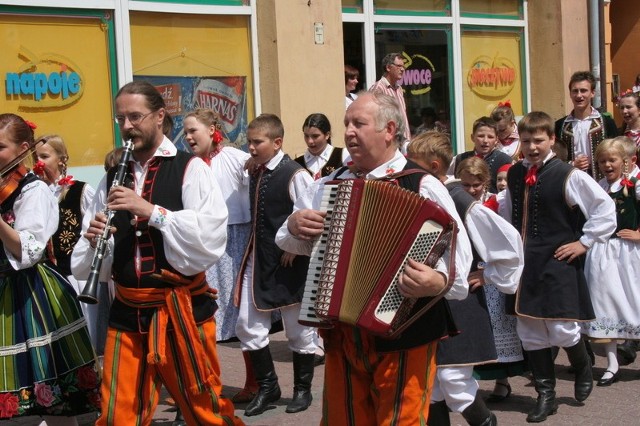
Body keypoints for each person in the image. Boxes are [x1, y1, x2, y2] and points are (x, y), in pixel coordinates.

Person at [275, 91, 473, 425]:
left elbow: (459, 267)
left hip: (406, 333)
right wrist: (294, 225)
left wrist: (436, 281)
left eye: (359, 123)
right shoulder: (329, 183)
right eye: (347, 124)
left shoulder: (422, 185)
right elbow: (286, 241)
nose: (349, 131)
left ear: (389, 129)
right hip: (342, 332)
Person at [70, 81, 242, 426]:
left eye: (135, 116)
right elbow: (94, 261)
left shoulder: (190, 168)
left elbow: (209, 239)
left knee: (203, 409)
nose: (127, 126)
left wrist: (152, 212)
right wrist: (92, 242)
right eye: (121, 119)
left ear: (160, 116)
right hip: (127, 310)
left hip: (180, 310)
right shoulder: (111, 178)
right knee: (118, 414)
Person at [501, 111, 616, 423]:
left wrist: (584, 242)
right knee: (530, 330)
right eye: (526, 141)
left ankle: (581, 367)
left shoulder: (568, 174)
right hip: (525, 265)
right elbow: (504, 213)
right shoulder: (513, 174)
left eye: (538, 140)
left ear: (551, 139)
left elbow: (603, 208)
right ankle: (546, 394)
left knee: (563, 328)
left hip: (557, 261)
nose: (532, 147)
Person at [407, 130, 524, 426]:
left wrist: (489, 274)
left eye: (413, 164)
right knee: (431, 384)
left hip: (461, 306)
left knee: (455, 382)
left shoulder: (460, 200)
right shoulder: (420, 194)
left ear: (434, 167)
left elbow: (509, 245)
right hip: (430, 304)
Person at [0, 114, 101, 424]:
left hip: (30, 294)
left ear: (23, 148)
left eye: (0, 146)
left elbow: (29, 250)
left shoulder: (34, 191)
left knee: (55, 399)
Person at [235, 113, 317, 416]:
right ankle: (268, 386)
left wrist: (295, 248)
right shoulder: (255, 169)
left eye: (257, 142)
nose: (251, 148)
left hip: (289, 262)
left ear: (277, 142)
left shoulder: (296, 175)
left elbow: (308, 216)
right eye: (250, 142)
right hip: (259, 261)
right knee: (247, 324)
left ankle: (302, 390)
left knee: (298, 332)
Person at [583, 136, 640, 386]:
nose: (607, 165)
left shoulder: (635, 183)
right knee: (606, 305)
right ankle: (612, 364)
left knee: (635, 301)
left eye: (612, 160)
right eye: (603, 160)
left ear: (625, 161)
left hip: (630, 252)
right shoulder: (599, 187)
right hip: (604, 252)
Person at [32, 135, 99, 345]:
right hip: (45, 278)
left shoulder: (80, 190)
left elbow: (94, 227)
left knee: (83, 338)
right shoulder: (34, 193)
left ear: (61, 159)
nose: (38, 162)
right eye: (35, 157)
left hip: (74, 277)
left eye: (44, 156)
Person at [554, 70, 618, 180]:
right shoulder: (560, 125)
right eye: (575, 91)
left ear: (592, 93)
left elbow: (617, 153)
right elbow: (555, 157)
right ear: (570, 93)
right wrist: (572, 164)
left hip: (601, 181)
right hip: (571, 179)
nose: (579, 95)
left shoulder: (607, 122)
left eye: (583, 91)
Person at [449, 116, 512, 193]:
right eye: (481, 136)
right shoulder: (460, 159)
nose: (485, 140)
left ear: (496, 140)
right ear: (472, 137)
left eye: (490, 137)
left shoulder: (504, 161)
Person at [369, 52, 411, 150]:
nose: (402, 69)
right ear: (388, 67)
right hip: (390, 144)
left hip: (404, 142)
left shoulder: (399, 88)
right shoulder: (378, 89)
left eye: (403, 67)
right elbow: (376, 118)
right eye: (399, 66)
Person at [295, 113, 349, 180]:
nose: (310, 141)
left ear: (327, 135)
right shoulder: (297, 164)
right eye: (306, 136)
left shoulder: (343, 155)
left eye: (315, 136)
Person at [617, 90, 640, 169]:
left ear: (639, 109)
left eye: (628, 107)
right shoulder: (619, 134)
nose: (624, 111)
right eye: (622, 108)